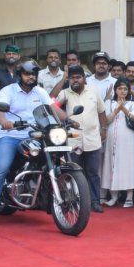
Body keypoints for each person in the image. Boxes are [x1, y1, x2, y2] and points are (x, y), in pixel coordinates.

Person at [0, 59, 61, 229]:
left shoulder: (40, 92)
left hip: (35, 134)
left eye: (33, 74)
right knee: (2, 167)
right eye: (27, 74)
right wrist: (4, 122)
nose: (31, 77)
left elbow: (54, 110)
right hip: (10, 134)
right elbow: (0, 112)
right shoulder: (7, 91)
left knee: (52, 158)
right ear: (19, 75)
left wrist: (70, 120)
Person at [57, 65, 107, 214]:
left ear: (84, 78)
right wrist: (63, 80)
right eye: (72, 78)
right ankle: (74, 202)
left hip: (92, 138)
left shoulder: (93, 91)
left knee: (93, 172)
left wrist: (103, 129)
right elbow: (51, 101)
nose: (75, 80)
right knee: (73, 172)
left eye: (78, 77)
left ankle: (95, 202)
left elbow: (102, 111)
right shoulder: (66, 93)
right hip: (74, 139)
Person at [101, 79, 134, 207]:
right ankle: (114, 196)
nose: (122, 91)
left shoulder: (132, 104)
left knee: (127, 165)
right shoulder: (109, 102)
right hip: (111, 138)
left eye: (125, 89)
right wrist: (116, 109)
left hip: (128, 139)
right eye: (120, 88)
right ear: (115, 90)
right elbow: (105, 120)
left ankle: (129, 197)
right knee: (111, 165)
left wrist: (124, 109)